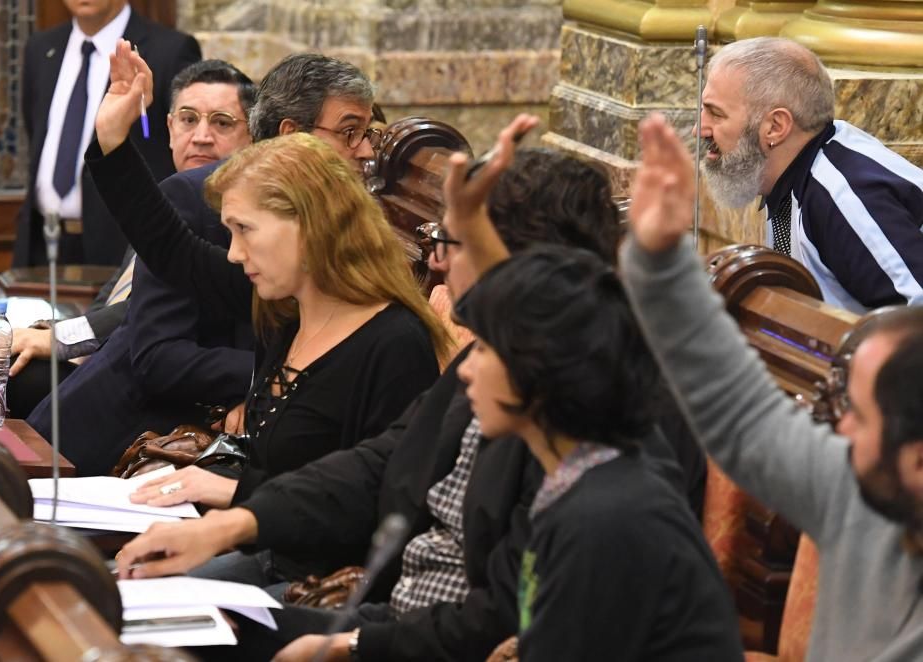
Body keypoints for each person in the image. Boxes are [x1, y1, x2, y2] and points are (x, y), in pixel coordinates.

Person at [116, 116, 701, 662]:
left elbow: (501, 613)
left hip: (411, 632)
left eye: (452, 241)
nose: (438, 268)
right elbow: (379, 462)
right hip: (390, 614)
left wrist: (352, 646)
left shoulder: (590, 414)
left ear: (520, 264)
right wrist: (232, 523)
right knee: (147, 620)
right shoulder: (493, 357)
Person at [88, 43, 449, 577]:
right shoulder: (284, 308)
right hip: (261, 550)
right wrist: (112, 140)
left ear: (308, 225)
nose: (233, 253)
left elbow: (374, 507)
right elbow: (174, 251)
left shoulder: (394, 345)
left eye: (244, 231)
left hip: (316, 584)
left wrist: (232, 494)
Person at [624, 113, 923, 661]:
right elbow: (742, 416)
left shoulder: (844, 189)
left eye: (858, 413)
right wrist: (659, 264)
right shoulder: (864, 487)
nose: (839, 423)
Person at [453, 246, 743, 660]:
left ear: (535, 362)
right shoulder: (583, 483)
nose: (465, 368)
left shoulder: (605, 517)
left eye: (482, 348)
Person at [23, 60, 258, 473]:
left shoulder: (239, 226)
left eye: (222, 123)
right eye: (188, 119)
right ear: (168, 128)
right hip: (99, 385)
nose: (201, 136)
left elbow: (149, 331)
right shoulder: (166, 198)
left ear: (252, 136)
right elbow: (120, 304)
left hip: (160, 420)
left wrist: (66, 338)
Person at [698, 36, 923, 312]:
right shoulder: (790, 177)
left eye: (716, 114)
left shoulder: (843, 195)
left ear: (775, 127)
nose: (701, 129)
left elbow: (914, 318)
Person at [13, 0, 200, 267]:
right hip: (42, 244)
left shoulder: (169, 50)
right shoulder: (41, 48)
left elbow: (171, 143)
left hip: (122, 247)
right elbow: (36, 132)